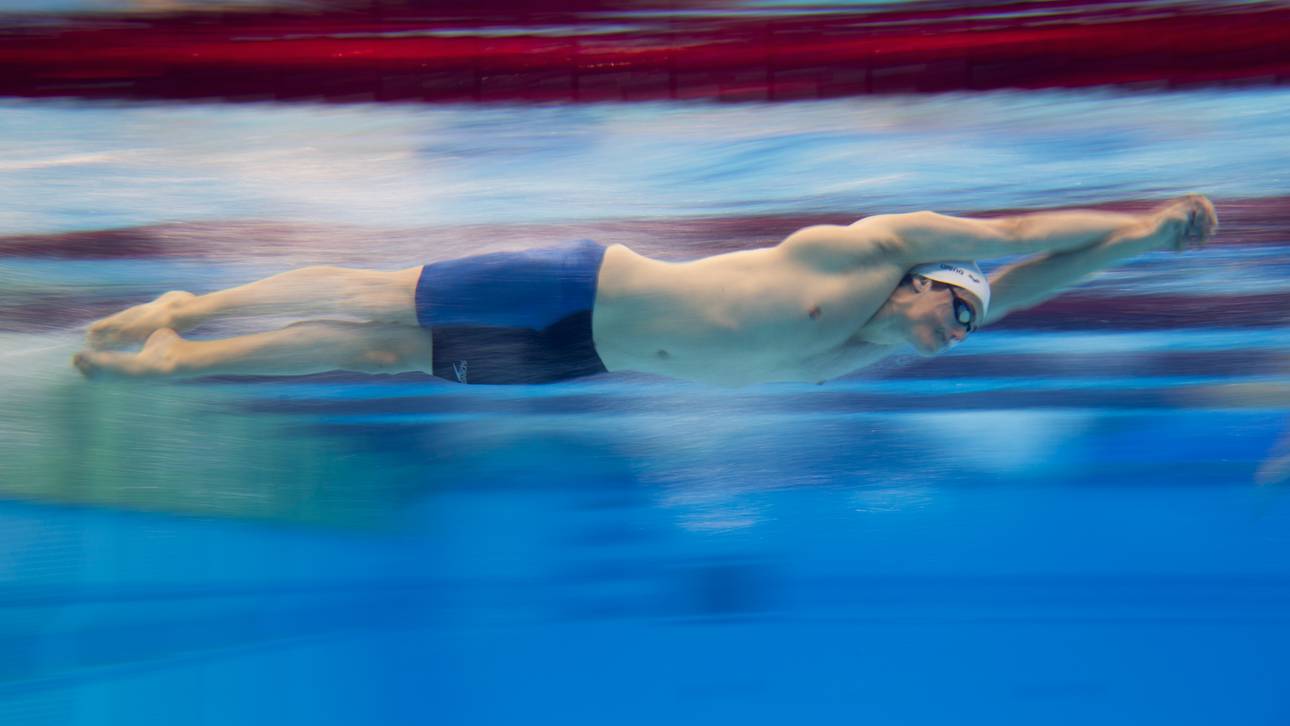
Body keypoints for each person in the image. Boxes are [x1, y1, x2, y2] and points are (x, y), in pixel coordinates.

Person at [73, 195, 1217, 386]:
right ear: (925, 282)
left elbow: (1029, 281)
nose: (964, 331)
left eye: (972, 323)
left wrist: (1137, 254)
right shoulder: (862, 254)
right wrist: (1145, 219)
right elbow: (1016, 236)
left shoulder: (875, 345)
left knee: (377, 358)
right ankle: (189, 306)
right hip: (583, 284)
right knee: (381, 299)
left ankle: (182, 362)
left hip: (586, 359)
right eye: (959, 310)